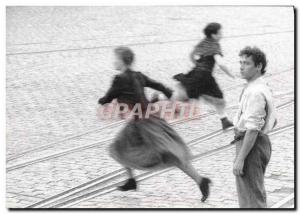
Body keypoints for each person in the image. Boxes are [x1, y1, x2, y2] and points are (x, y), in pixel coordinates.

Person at [98, 46, 212, 202]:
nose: (114, 62)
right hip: (149, 118)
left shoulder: (119, 79)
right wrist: (168, 93)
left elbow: (109, 96)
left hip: (143, 123)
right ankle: (131, 180)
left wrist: (103, 101)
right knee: (122, 145)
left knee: (166, 154)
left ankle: (200, 180)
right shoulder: (138, 76)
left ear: (122, 61)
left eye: (115, 59)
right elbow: (158, 85)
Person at [153, 22, 235, 130]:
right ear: (213, 35)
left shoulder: (203, 42)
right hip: (202, 77)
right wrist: (230, 73)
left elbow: (191, 55)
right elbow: (220, 63)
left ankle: (224, 121)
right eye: (220, 33)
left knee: (218, 97)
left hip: (202, 76)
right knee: (184, 97)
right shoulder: (215, 45)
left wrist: (198, 65)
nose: (222, 35)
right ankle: (158, 97)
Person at [232, 46, 277, 208]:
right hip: (255, 143)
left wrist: (240, 159)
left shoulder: (255, 92)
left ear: (258, 66)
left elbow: (252, 129)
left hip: (251, 146)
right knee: (252, 194)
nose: (242, 67)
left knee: (252, 199)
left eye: (247, 63)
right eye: (241, 62)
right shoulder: (259, 86)